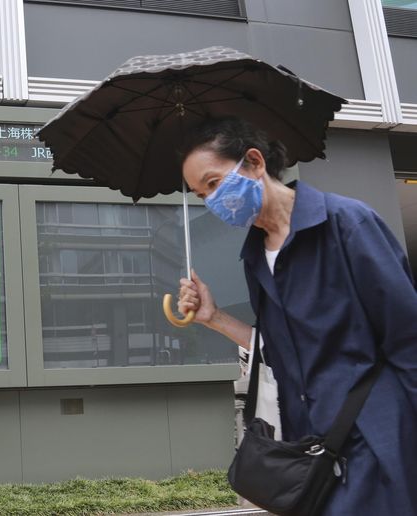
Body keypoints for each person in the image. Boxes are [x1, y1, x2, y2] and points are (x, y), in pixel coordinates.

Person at [175, 117, 417, 515]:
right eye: (202, 194)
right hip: (314, 456)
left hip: (381, 442)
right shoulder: (254, 257)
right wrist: (213, 317)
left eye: (214, 183)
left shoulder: (347, 224)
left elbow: (407, 342)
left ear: (254, 163)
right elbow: (282, 352)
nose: (212, 202)